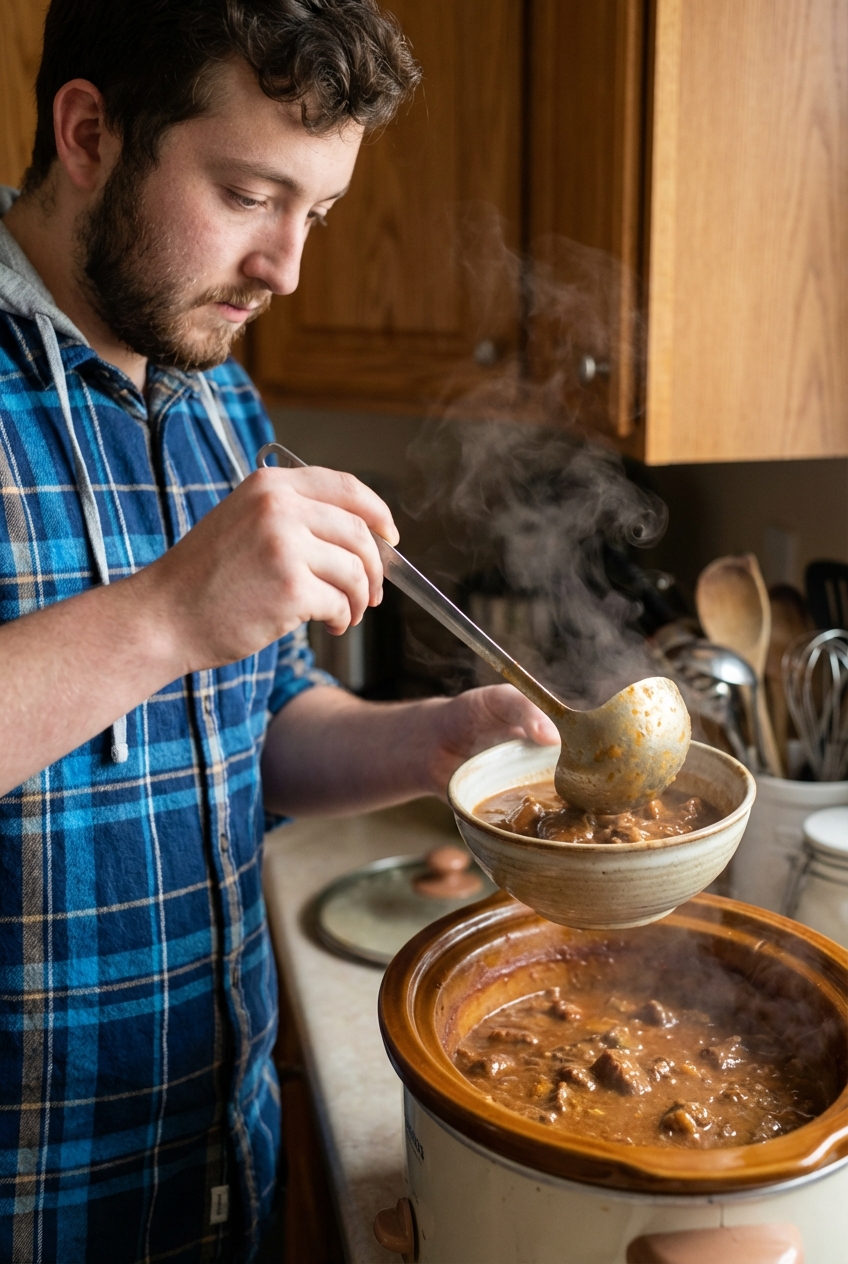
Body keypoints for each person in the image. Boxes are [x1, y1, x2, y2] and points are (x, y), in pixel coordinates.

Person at [0, 1, 557, 1259]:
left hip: (207, 1186)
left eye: (318, 213)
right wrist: (165, 613)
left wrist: (435, 741)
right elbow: (175, 638)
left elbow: (256, 721)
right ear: (88, 131)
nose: (287, 268)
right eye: (251, 194)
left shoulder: (213, 391)